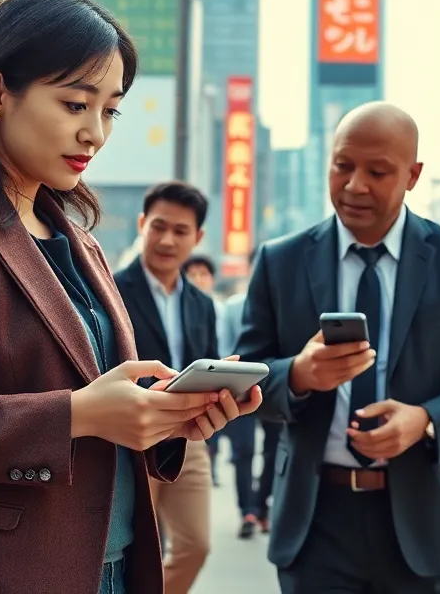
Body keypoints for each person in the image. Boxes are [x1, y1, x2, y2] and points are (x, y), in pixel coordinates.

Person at [0, 0, 261, 594]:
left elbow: (103, 414)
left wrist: (168, 419)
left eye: (109, 109)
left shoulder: (79, 240)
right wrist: (78, 414)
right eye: (76, 104)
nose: (96, 134)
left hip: (112, 567)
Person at [236, 101, 440, 593]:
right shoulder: (279, 262)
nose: (354, 185)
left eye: (377, 171)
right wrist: (300, 374)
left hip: (422, 525)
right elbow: (246, 375)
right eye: (343, 166)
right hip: (315, 524)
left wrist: (427, 421)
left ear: (413, 176)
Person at [113, 182, 220, 594]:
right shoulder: (112, 289)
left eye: (181, 230)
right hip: (132, 439)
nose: (167, 239)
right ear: (142, 224)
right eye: (158, 226)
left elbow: (206, 359)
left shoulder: (202, 303)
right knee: (137, 548)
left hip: (189, 437)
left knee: (196, 544)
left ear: (198, 237)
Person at [216, 249, 270, 539]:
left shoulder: (281, 306)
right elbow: (224, 347)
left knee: (274, 451)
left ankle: (262, 505)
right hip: (239, 389)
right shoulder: (233, 307)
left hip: (273, 388)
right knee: (244, 451)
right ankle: (247, 510)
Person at [183, 254, 225, 487]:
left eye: (203, 274)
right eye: (193, 274)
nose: (198, 279)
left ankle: (213, 465)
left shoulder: (212, 306)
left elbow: (212, 350)